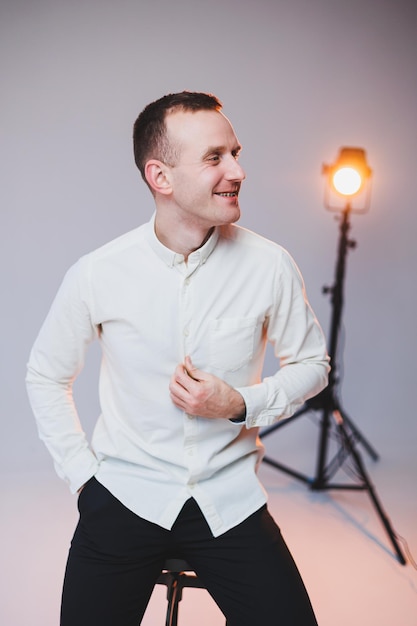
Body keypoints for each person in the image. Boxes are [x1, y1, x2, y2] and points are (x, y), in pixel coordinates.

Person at [26, 91, 329, 626]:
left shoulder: (270, 265)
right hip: (123, 499)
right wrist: (83, 479)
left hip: (228, 500)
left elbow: (313, 366)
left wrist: (241, 401)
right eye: (215, 158)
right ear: (160, 177)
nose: (237, 169)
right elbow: (46, 375)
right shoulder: (98, 272)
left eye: (235, 152)